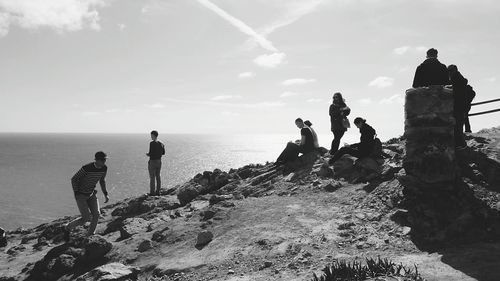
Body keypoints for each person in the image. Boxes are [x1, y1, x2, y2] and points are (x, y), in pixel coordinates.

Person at [65, 151, 109, 237]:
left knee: (96, 214)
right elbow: (74, 179)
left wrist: (105, 194)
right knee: (86, 218)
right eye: (103, 160)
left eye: (105, 160)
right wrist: (77, 193)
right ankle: (67, 227)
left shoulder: (104, 168)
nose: (105, 161)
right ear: (97, 160)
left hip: (91, 193)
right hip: (81, 195)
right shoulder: (86, 168)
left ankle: (90, 235)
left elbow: (102, 180)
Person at [448, 65, 468, 149]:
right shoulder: (460, 79)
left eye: (449, 71)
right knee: (459, 125)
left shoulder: (456, 80)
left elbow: (456, 94)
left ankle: (460, 144)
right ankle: (460, 143)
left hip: (457, 105)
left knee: (457, 125)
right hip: (462, 106)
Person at [147, 130, 166, 196]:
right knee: (158, 176)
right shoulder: (161, 143)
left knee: (152, 177)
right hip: (159, 161)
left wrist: (148, 154)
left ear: (154, 135)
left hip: (152, 162)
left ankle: (152, 193)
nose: (151, 137)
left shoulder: (151, 143)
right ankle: (158, 191)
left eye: (151, 136)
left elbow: (151, 153)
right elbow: (163, 153)